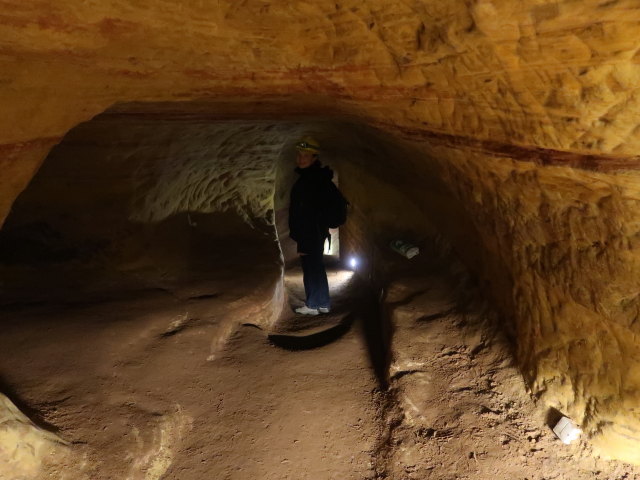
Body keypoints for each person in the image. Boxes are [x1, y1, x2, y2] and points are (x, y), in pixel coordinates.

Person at [288, 137, 333, 315]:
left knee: (311, 267)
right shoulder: (314, 177)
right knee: (316, 266)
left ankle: (314, 305)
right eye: (299, 155)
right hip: (314, 231)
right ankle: (322, 303)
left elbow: (306, 213)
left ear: (314, 157)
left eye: (305, 155)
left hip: (310, 232)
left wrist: (303, 239)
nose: (300, 159)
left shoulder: (310, 180)